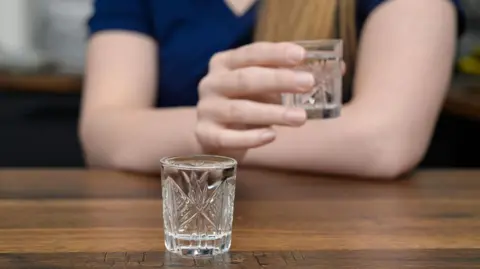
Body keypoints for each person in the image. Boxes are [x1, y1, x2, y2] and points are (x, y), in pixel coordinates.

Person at [80, 0, 464, 178]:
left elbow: (386, 140)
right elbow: (102, 133)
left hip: (337, 238)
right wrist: (211, 129)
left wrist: (213, 134)